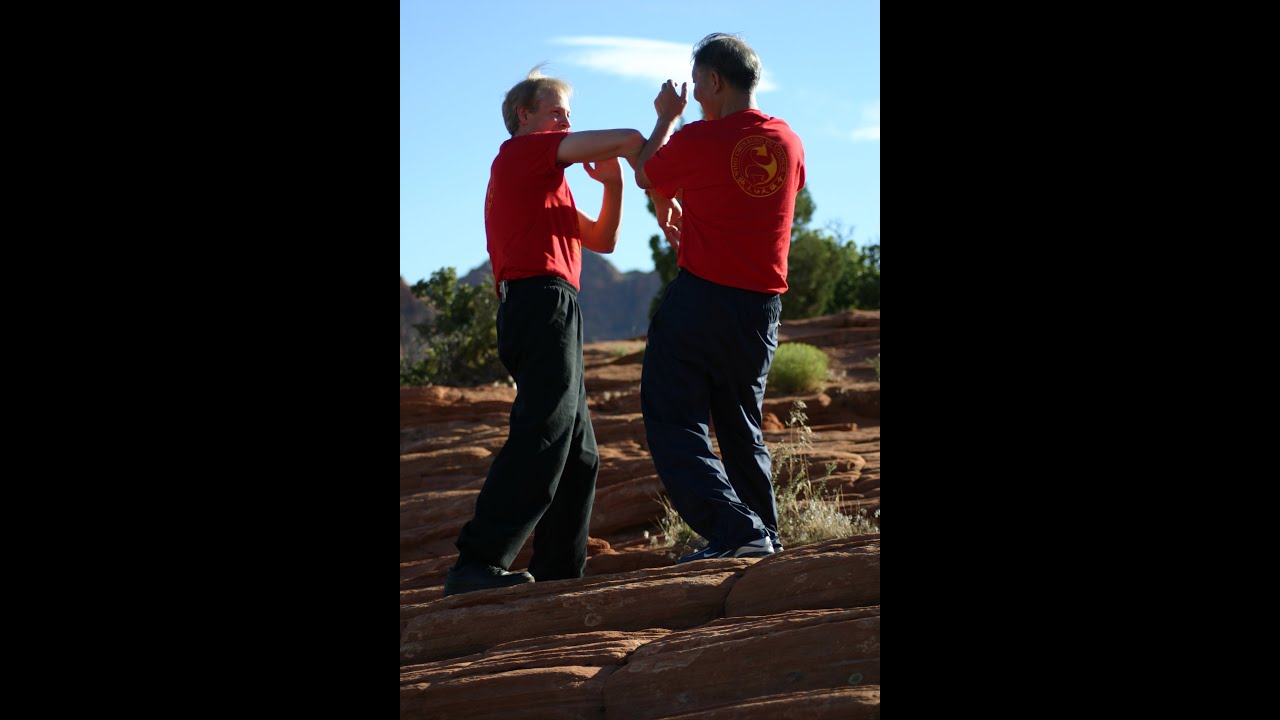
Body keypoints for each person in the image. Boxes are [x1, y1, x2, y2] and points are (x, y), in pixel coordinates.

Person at [444, 68, 645, 596]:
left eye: (568, 115)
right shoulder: (522, 154)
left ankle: (558, 574)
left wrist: (616, 183)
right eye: (556, 112)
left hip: (551, 306)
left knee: (580, 453)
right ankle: (479, 560)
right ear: (523, 117)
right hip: (541, 302)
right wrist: (650, 154)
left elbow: (603, 238)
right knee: (544, 432)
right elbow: (627, 139)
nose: (566, 122)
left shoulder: (543, 184)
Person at [633, 33, 806, 563]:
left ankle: (735, 530)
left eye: (700, 86)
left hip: (703, 298)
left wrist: (666, 117)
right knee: (740, 425)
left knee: (672, 418)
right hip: (761, 310)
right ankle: (762, 536)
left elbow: (645, 171)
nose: (698, 97)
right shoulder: (788, 141)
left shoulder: (698, 138)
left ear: (713, 81)